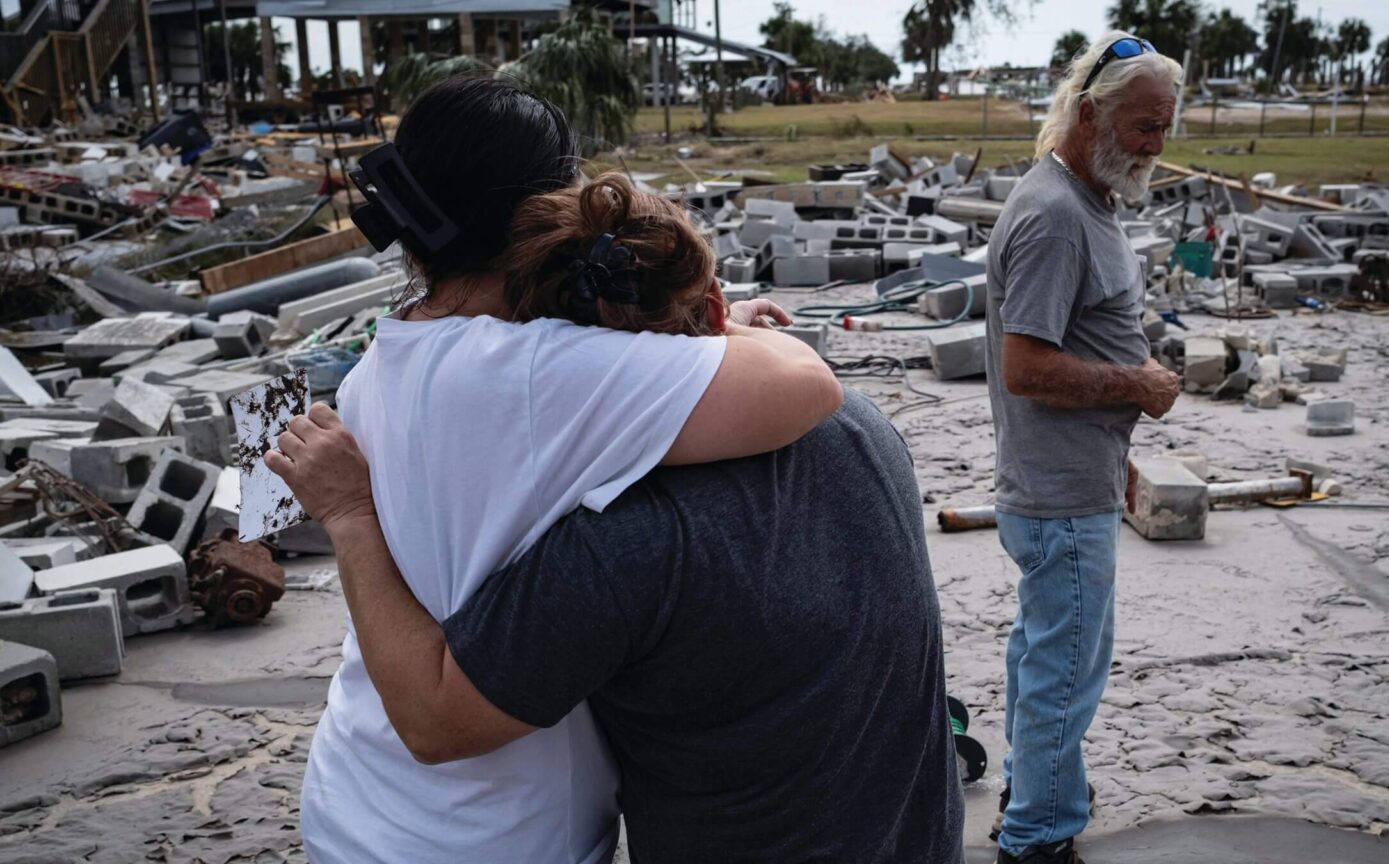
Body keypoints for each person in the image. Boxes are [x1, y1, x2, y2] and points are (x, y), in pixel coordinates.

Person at [268, 176, 965, 864]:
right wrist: (729, 337)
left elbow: (435, 721)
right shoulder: (861, 426)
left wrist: (350, 513)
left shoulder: (626, 542)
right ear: (714, 306)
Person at [982, 31, 1184, 864]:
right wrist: (1137, 384)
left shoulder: (1084, 200)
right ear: (1090, 113)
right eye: (1143, 126)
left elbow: (1073, 342)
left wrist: (1116, 451)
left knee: (1044, 658)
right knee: (1065, 671)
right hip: (1057, 498)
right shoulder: (1057, 218)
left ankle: (1034, 793)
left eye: (1165, 127)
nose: (1156, 145)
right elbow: (1025, 368)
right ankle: (1036, 837)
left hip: (1070, 480)